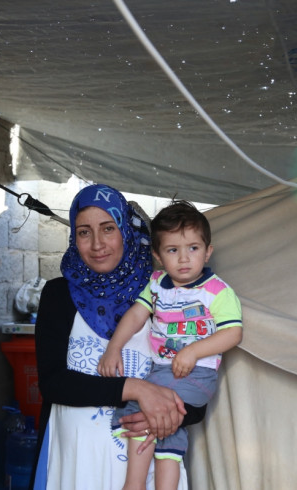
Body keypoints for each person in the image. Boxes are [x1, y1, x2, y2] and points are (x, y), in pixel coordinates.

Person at [32, 185, 208, 490]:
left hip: (144, 468)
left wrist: (168, 416)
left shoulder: (168, 295)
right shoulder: (58, 295)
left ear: (126, 231)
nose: (98, 243)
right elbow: (53, 382)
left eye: (108, 229)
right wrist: (136, 389)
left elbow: (198, 391)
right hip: (75, 465)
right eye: (85, 232)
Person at [98, 200, 243, 490]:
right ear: (158, 256)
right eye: (173, 250)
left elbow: (233, 334)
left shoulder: (217, 291)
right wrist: (114, 347)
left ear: (208, 251)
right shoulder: (156, 285)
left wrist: (193, 351)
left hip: (197, 375)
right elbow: (136, 315)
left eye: (193, 248)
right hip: (163, 371)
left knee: (143, 407)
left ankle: (134, 484)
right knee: (165, 425)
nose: (184, 258)